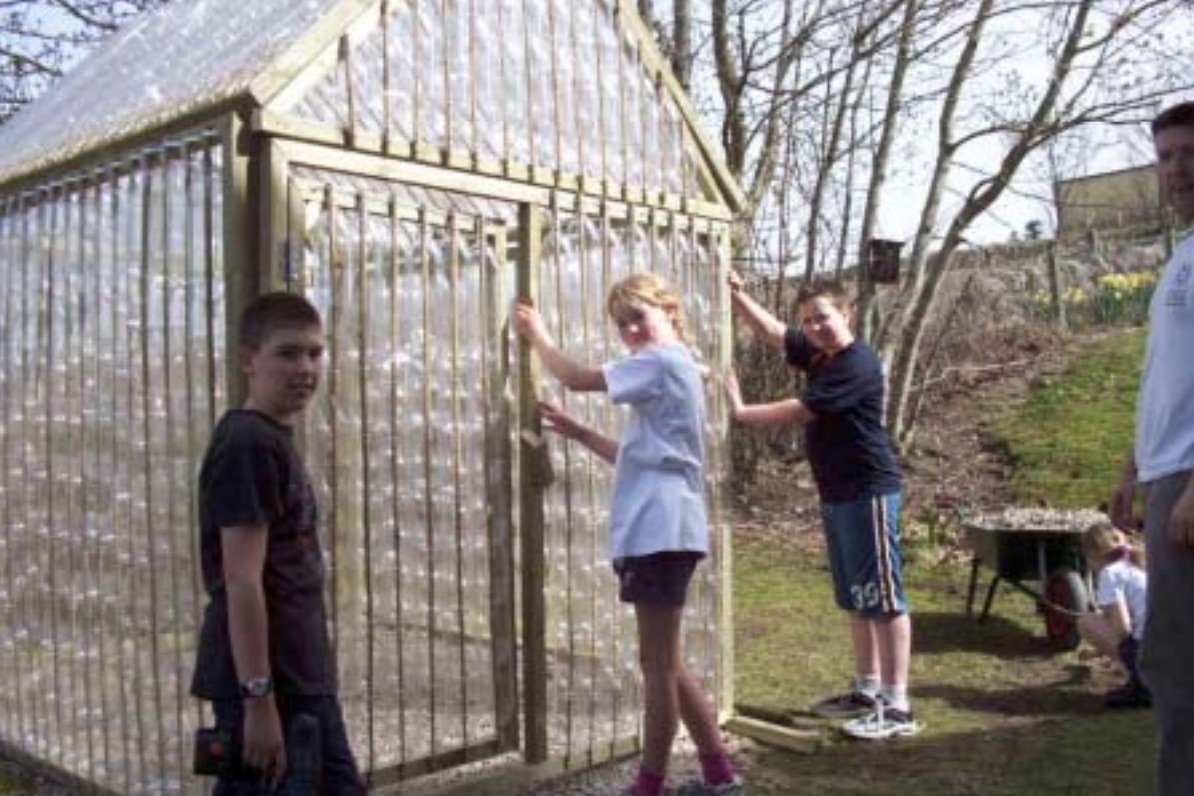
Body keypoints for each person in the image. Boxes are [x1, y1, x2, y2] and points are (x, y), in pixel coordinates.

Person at [513, 273, 741, 796]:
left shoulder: (660, 361)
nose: (632, 329)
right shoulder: (679, 365)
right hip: (670, 526)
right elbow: (640, 457)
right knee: (666, 662)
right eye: (622, 323)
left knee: (656, 666)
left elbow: (575, 377)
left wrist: (538, 335)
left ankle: (649, 785)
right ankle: (719, 775)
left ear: (669, 309)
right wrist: (579, 431)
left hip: (658, 530)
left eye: (640, 315)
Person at [723, 271, 917, 741]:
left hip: (868, 490)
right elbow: (775, 333)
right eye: (808, 321)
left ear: (847, 314)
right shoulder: (821, 354)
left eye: (824, 318)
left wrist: (742, 412)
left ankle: (897, 705)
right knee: (856, 596)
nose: (815, 328)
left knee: (884, 598)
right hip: (837, 493)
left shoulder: (857, 363)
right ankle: (867, 689)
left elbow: (801, 408)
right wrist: (738, 295)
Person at [190, 292, 367, 795]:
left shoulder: (269, 438)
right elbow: (241, 580)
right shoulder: (249, 444)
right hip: (276, 686)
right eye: (288, 353)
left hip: (298, 677)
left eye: (315, 353)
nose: (306, 368)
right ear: (250, 360)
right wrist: (259, 702)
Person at [1110, 100, 1194, 796]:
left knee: (1179, 665)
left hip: (1191, 484)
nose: (1178, 170)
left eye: (1190, 153)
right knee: (1172, 661)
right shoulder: (1182, 258)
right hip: (1168, 474)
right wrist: (1132, 464)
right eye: (1166, 156)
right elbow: (1165, 374)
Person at [1077, 522, 1150, 708]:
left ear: (1092, 556)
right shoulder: (1138, 565)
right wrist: (1099, 651)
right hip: (1178, 649)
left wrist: (1109, 646)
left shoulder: (1110, 573)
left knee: (1086, 621)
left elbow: (1123, 629)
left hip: (1151, 655)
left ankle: (1142, 685)